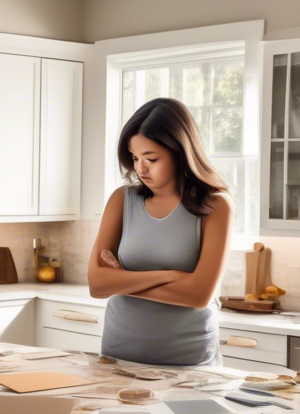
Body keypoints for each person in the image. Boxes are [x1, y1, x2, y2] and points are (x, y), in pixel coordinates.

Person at [88, 97, 233, 366]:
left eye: (151, 158)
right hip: (118, 355)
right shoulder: (122, 200)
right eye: (134, 157)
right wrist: (169, 276)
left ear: (181, 153)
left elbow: (199, 295)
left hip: (189, 362)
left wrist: (123, 280)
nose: (140, 168)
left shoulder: (215, 207)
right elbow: (97, 285)